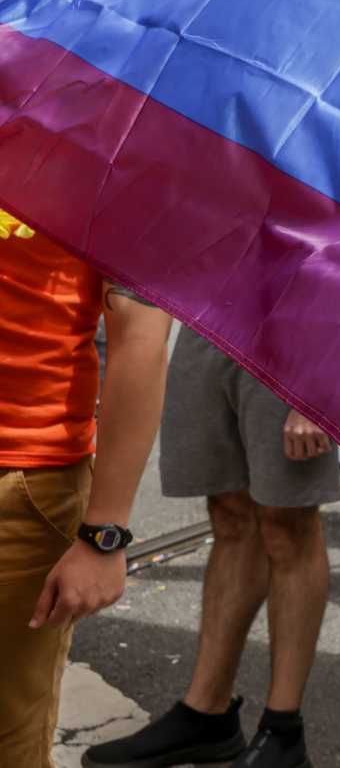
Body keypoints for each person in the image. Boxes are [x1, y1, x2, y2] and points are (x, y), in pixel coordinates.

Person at [87, 333, 340, 768]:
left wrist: (316, 381)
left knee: (288, 522)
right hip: (211, 322)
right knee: (229, 511)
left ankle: (283, 733)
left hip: (297, 330)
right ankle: (206, 712)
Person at [0, 226, 169, 767]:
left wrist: (105, 534)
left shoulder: (117, 172)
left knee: (9, 737)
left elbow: (140, 335)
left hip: (21, 481)